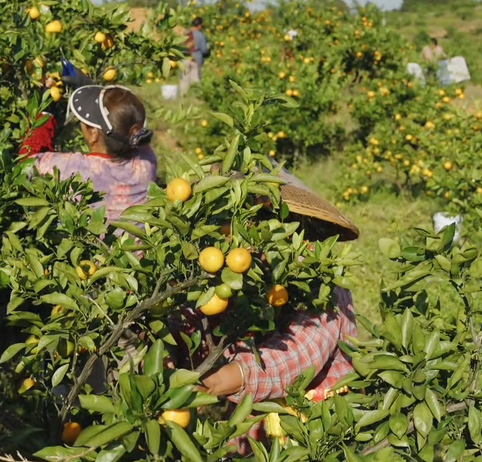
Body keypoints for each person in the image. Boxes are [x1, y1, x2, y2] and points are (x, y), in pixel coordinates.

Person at [184, 167, 360, 452]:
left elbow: (297, 358)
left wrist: (224, 378)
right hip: (258, 420)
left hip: (315, 424)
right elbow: (201, 318)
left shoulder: (323, 288)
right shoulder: (242, 274)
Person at [20, 84, 156, 223]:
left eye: (83, 122)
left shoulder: (74, 168)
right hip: (134, 243)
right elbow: (122, 122)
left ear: (93, 134)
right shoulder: (146, 159)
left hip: (86, 244)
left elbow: (25, 162)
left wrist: (45, 113)